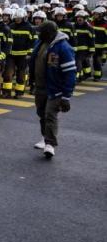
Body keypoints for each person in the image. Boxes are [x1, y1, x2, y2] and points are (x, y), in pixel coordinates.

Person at [28, 21, 75, 158]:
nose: (38, 33)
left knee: (50, 115)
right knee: (41, 113)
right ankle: (45, 137)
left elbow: (70, 74)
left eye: (40, 31)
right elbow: (34, 62)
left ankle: (50, 144)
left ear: (49, 33)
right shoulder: (40, 43)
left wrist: (66, 97)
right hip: (40, 87)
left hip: (56, 90)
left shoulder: (63, 47)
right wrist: (31, 81)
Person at [4, 8, 35, 98]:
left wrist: (29, 53)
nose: (17, 20)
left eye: (19, 18)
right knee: (8, 74)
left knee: (21, 75)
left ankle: (19, 92)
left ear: (24, 18)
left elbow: (32, 42)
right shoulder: (11, 27)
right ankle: (7, 92)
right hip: (11, 54)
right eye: (16, 18)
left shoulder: (30, 28)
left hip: (23, 55)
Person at [73, 10, 94, 82]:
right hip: (75, 48)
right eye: (78, 17)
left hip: (84, 49)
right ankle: (87, 74)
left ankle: (77, 76)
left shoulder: (89, 27)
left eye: (81, 17)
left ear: (85, 18)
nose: (79, 18)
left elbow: (92, 40)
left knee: (77, 61)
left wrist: (91, 50)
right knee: (84, 62)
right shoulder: (74, 26)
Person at [91, 7, 107, 80]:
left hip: (102, 46)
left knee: (97, 60)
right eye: (95, 14)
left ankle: (98, 75)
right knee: (95, 60)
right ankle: (97, 74)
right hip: (93, 45)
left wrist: (105, 49)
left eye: (97, 14)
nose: (95, 15)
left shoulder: (105, 24)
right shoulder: (92, 22)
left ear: (101, 15)